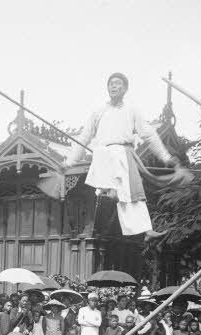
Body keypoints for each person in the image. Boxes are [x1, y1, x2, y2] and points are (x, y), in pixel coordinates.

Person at [59, 72, 188, 240]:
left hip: (122, 154)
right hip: (103, 156)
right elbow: (84, 138)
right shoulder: (98, 112)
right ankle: (107, 201)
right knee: (112, 194)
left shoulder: (132, 110)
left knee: (132, 193)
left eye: (118, 83)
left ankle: (145, 230)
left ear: (125, 88)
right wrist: (70, 162)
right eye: (111, 83)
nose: (114, 86)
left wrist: (166, 157)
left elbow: (149, 135)